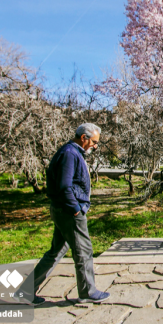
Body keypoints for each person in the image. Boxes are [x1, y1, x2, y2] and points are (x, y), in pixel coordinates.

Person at [29, 123, 110, 305]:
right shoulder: (70, 154)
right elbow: (64, 186)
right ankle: (87, 292)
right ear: (84, 138)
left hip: (62, 209)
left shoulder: (70, 152)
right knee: (84, 251)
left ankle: (27, 291)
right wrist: (75, 209)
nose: (95, 146)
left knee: (56, 251)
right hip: (68, 211)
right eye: (94, 142)